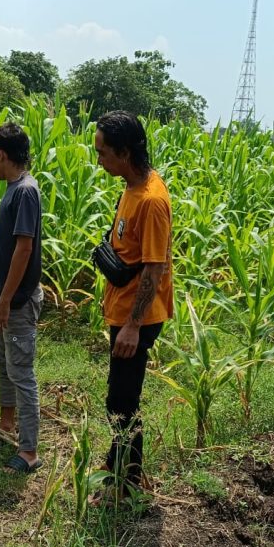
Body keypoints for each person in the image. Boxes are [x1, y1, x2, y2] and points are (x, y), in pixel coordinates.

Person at [90, 111, 174, 501]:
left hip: (136, 317)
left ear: (124, 152)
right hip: (123, 308)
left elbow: (155, 268)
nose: (99, 160)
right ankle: (117, 464)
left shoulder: (152, 201)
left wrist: (133, 326)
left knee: (121, 400)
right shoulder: (131, 186)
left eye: (103, 152)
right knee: (119, 394)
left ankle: (128, 480)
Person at [0, 122, 45, 474]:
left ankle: (29, 451)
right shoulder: (14, 189)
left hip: (16, 303)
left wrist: (5, 301)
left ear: (1, 155)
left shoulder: (24, 192)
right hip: (5, 301)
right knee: (7, 367)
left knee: (21, 372)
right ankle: (7, 425)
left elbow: (24, 248)